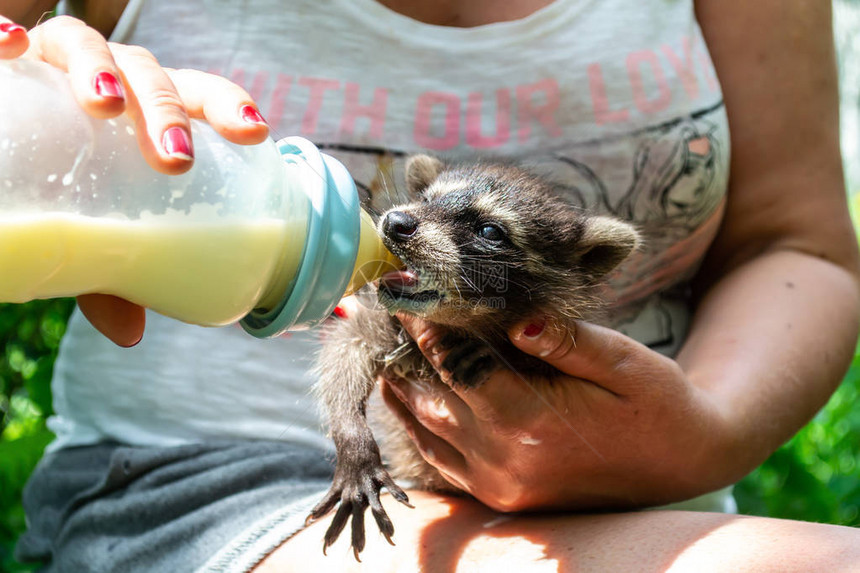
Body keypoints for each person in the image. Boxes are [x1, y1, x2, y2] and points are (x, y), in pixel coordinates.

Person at [3, 0, 860, 571]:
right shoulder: (394, 308)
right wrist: (43, 117)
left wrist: (697, 436)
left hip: (642, 497)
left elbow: (797, 241)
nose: (406, 224)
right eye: (421, 204)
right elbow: (353, 355)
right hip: (232, 484)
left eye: (482, 235)